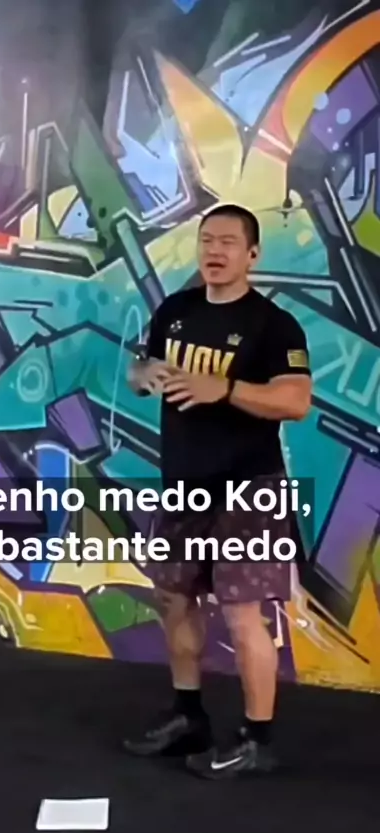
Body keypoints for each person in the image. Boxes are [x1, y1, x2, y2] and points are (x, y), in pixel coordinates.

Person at [123, 203, 312, 779]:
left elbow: (296, 401)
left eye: (229, 242)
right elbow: (140, 368)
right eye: (207, 239)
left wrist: (224, 388)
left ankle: (257, 740)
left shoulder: (274, 325)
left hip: (249, 487)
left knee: (241, 614)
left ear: (252, 255)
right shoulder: (175, 310)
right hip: (184, 483)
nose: (215, 250)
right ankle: (189, 716)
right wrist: (144, 377)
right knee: (174, 598)